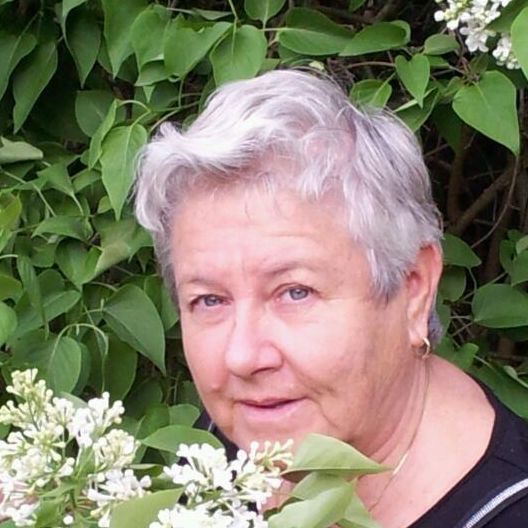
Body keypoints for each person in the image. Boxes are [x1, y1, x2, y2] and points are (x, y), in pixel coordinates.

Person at [134, 70, 528, 527]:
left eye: (295, 292)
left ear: (414, 288)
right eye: (209, 301)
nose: (241, 357)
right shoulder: (235, 441)